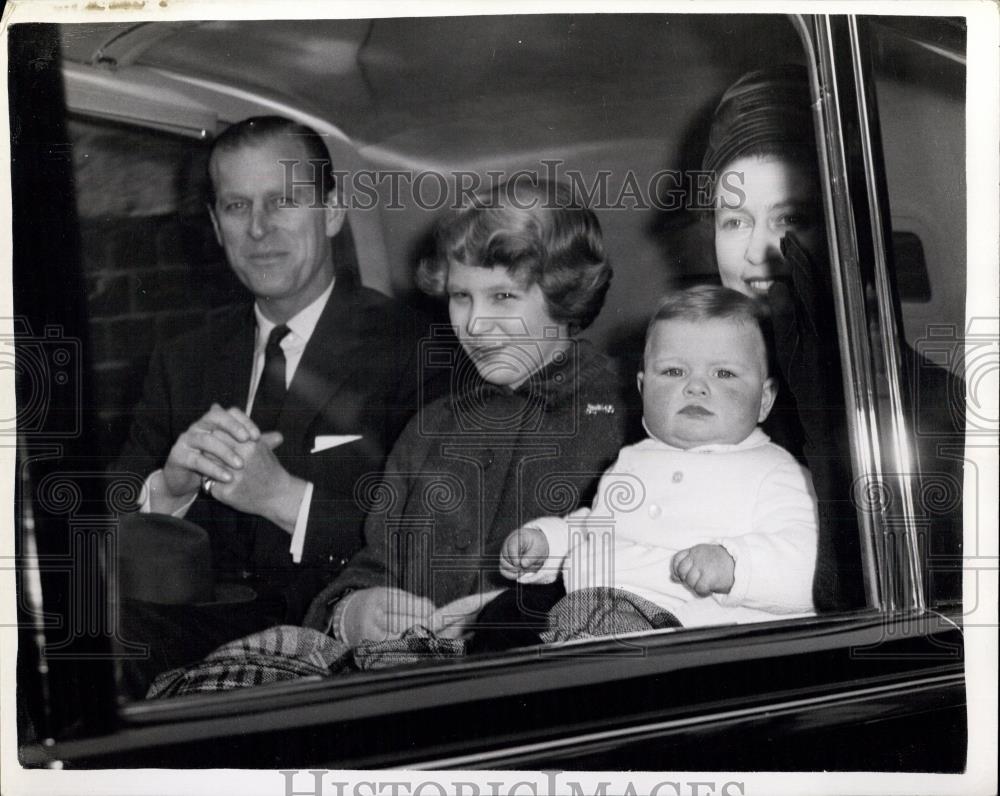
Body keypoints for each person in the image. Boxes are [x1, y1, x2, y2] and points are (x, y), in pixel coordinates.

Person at [114, 115, 442, 694]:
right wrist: (169, 489)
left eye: (283, 201)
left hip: (331, 651)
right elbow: (98, 530)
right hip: (183, 638)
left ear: (332, 212)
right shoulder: (182, 360)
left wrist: (282, 497)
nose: (259, 228)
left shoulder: (418, 352)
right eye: (237, 207)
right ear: (216, 226)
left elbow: (435, 538)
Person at [302, 177, 634, 647]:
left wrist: (512, 614)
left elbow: (649, 574)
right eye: (461, 296)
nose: (474, 325)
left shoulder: (627, 418)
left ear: (565, 294)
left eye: (503, 296)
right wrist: (353, 611)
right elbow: (376, 563)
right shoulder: (431, 427)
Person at [701, 65, 965, 611]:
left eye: (790, 218)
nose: (758, 252)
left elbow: (876, 614)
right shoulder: (689, 392)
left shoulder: (934, 406)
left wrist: (828, 408)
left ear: (844, 229)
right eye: (734, 221)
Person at [500, 286, 818, 637]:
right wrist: (547, 543)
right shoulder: (632, 460)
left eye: (724, 373)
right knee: (504, 628)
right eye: (673, 371)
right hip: (593, 614)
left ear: (765, 400)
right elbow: (597, 528)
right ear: (643, 388)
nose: (696, 387)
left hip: (691, 635)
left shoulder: (777, 472)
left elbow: (811, 565)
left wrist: (733, 565)